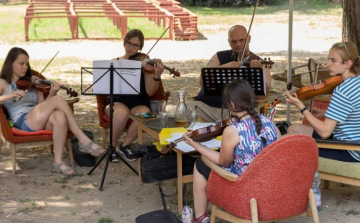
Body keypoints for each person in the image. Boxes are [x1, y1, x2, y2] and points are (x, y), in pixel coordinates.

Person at [183, 80, 279, 223]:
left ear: (232, 105)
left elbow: (224, 162)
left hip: (243, 188)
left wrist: (197, 146)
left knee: (201, 163)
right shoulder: (270, 123)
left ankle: (200, 217)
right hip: (268, 185)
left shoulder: (233, 130)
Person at [0, 47, 106, 176]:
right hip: (23, 121)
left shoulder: (33, 81)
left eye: (27, 64)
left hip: (37, 118)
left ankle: (58, 162)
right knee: (58, 100)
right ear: (11, 63)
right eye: (21, 63)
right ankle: (83, 140)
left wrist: (52, 93)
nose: (25, 67)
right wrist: (9, 96)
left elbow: (42, 106)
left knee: (59, 116)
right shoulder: (3, 83)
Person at [285, 41, 360, 162]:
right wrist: (326, 113)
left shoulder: (342, 91)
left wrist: (301, 106)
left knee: (287, 141)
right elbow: (354, 111)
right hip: (353, 142)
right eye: (328, 59)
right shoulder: (356, 81)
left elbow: (325, 132)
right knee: (293, 129)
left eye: (333, 60)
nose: (327, 64)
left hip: (349, 150)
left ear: (347, 64)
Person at [187, 25, 272, 122]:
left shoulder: (259, 62)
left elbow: (262, 95)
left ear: (249, 38)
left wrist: (256, 74)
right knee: (186, 108)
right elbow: (202, 81)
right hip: (208, 109)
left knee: (248, 116)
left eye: (242, 40)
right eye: (234, 41)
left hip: (236, 113)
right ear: (229, 42)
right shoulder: (220, 56)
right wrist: (225, 66)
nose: (238, 44)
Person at [107, 29, 164, 162]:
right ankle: (112, 147)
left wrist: (156, 76)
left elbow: (150, 91)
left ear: (140, 47)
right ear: (124, 42)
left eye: (135, 45)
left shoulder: (144, 64)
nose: (131, 47)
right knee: (122, 113)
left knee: (146, 113)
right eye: (129, 43)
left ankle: (125, 145)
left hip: (138, 102)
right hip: (117, 101)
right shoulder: (114, 62)